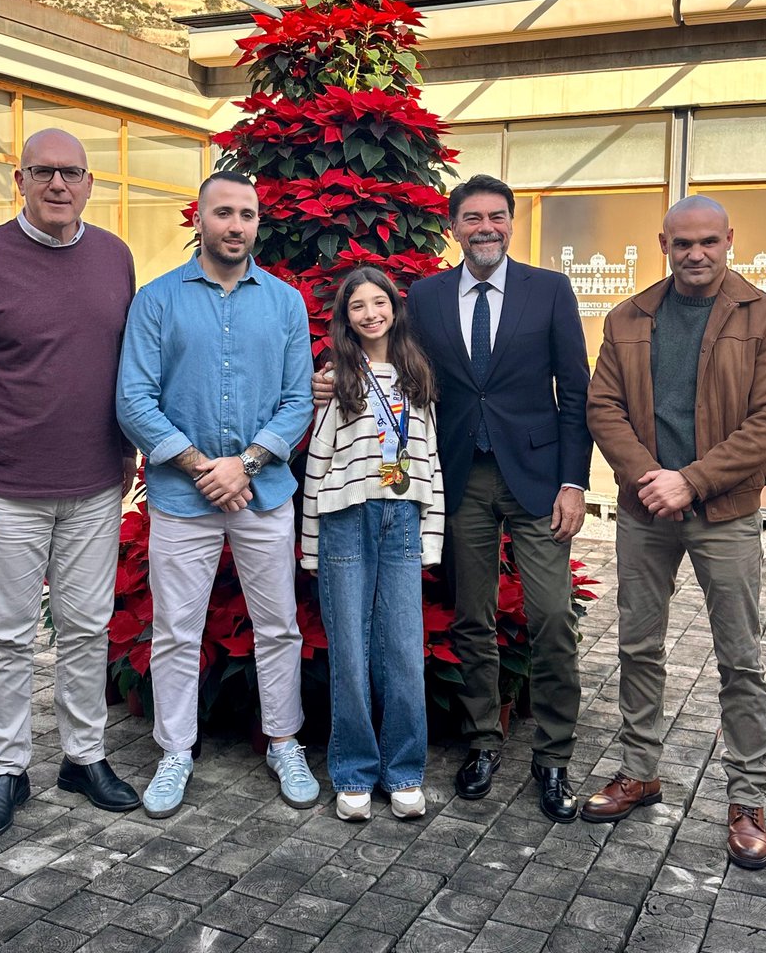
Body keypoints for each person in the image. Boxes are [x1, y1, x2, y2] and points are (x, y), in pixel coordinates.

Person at [314, 174, 592, 821]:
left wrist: (575, 482)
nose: (486, 226)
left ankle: (553, 757)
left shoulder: (548, 290)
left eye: (497, 215)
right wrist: (330, 378)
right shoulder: (428, 297)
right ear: (454, 227)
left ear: (512, 222)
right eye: (472, 217)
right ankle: (482, 741)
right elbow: (386, 351)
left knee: (552, 616)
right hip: (459, 476)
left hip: (538, 481)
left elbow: (574, 393)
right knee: (473, 618)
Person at [0, 128, 140, 840]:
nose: (57, 185)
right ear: (20, 180)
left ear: (88, 183)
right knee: (7, 636)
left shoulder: (114, 257)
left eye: (71, 173)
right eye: (43, 172)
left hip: (95, 486)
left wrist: (130, 460)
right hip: (4, 491)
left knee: (85, 629)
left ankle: (83, 757)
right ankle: (7, 768)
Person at [584, 195, 766, 870]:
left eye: (708, 241)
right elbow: (604, 406)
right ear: (663, 244)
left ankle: (747, 800)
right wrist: (651, 476)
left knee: (740, 658)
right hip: (646, 509)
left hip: (726, 511)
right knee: (638, 645)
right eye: (683, 244)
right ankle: (640, 770)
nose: (696, 254)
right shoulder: (628, 318)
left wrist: (691, 480)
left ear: (730, 240)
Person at [116, 169, 316, 818]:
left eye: (247, 214)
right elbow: (133, 400)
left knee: (278, 626)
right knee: (176, 631)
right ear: (198, 219)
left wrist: (248, 464)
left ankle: (283, 739)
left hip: (264, 496)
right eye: (223, 213)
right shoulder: (157, 300)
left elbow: (296, 402)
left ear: (258, 223)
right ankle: (176, 751)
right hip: (183, 498)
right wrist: (207, 466)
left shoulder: (284, 303)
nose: (235, 225)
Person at [301, 268, 444, 823]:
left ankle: (405, 771)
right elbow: (317, 462)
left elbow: (430, 461)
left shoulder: (416, 375)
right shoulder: (338, 377)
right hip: (345, 519)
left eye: (378, 302)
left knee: (405, 651)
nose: (369, 313)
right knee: (350, 652)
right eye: (357, 306)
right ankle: (354, 772)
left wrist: (430, 537)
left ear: (394, 309)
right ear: (346, 317)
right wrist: (311, 544)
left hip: (403, 517)